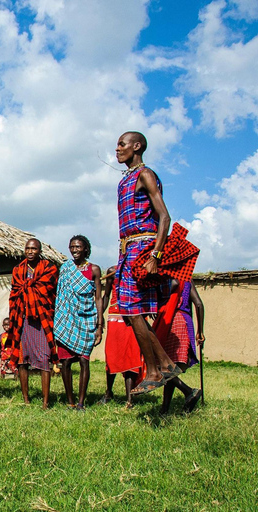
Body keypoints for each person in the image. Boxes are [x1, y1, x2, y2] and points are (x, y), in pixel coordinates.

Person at [114, 131, 180, 394]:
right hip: (127, 250)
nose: (117, 149)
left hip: (144, 249)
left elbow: (164, 217)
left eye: (122, 144)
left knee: (132, 310)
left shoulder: (145, 175)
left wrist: (156, 255)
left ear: (137, 146)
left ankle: (154, 369)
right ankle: (163, 364)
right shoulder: (125, 181)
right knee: (130, 314)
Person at [7, 238, 58, 409]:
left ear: (39, 250)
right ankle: (26, 399)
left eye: (34, 249)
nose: (30, 252)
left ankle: (45, 401)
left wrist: (31, 292)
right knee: (22, 360)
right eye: (27, 248)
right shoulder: (18, 270)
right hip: (22, 318)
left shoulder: (49, 268)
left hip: (42, 318)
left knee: (44, 359)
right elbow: (14, 293)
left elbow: (50, 292)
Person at [53, 235, 103, 410]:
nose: (74, 250)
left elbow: (98, 299)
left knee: (83, 361)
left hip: (86, 320)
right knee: (65, 362)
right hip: (66, 320)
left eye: (78, 247)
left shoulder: (94, 269)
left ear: (85, 249)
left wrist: (99, 325)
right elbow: (60, 297)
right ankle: (70, 401)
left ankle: (81, 402)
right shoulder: (65, 269)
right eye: (72, 247)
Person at [157, 279, 205, 414]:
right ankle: (164, 409)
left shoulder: (165, 280)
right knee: (172, 368)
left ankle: (188, 391)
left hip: (171, 321)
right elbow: (199, 305)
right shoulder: (188, 280)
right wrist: (200, 331)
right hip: (185, 320)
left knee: (162, 365)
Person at [100, 266, 142, 409]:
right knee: (112, 355)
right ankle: (108, 392)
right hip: (115, 316)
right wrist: (99, 317)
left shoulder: (139, 270)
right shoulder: (112, 271)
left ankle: (129, 398)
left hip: (134, 316)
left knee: (131, 356)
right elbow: (106, 296)